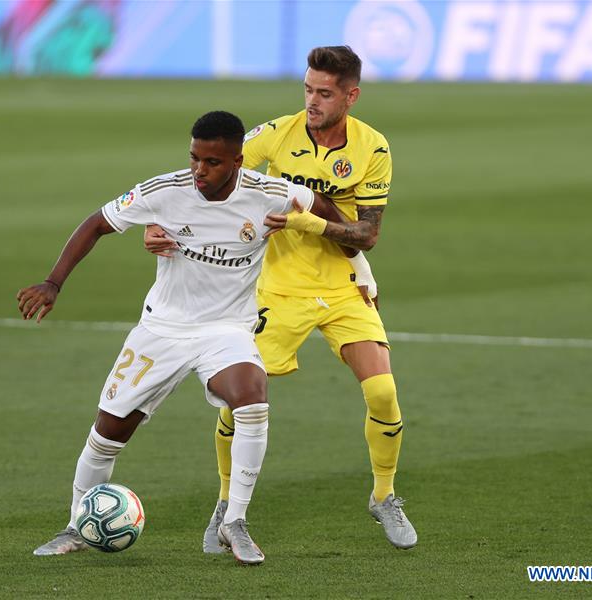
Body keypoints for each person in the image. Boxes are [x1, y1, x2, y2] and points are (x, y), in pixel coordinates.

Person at [17, 110, 364, 565]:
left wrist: (350, 254)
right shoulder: (165, 191)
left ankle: (234, 522)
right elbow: (97, 223)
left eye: (212, 162)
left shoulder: (271, 194)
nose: (200, 170)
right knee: (108, 434)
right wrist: (53, 282)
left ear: (238, 161)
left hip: (226, 329)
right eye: (195, 158)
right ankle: (75, 527)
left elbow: (332, 217)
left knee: (252, 396)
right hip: (162, 328)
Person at [145, 47, 417, 550]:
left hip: (343, 286)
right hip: (277, 289)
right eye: (308, 89)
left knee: (383, 392)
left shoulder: (373, 148)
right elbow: (208, 175)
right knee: (239, 397)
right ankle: (225, 504)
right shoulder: (275, 134)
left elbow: (367, 235)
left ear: (351, 96)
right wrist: (160, 221)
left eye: (325, 93)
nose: (312, 101)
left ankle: (384, 497)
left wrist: (307, 222)